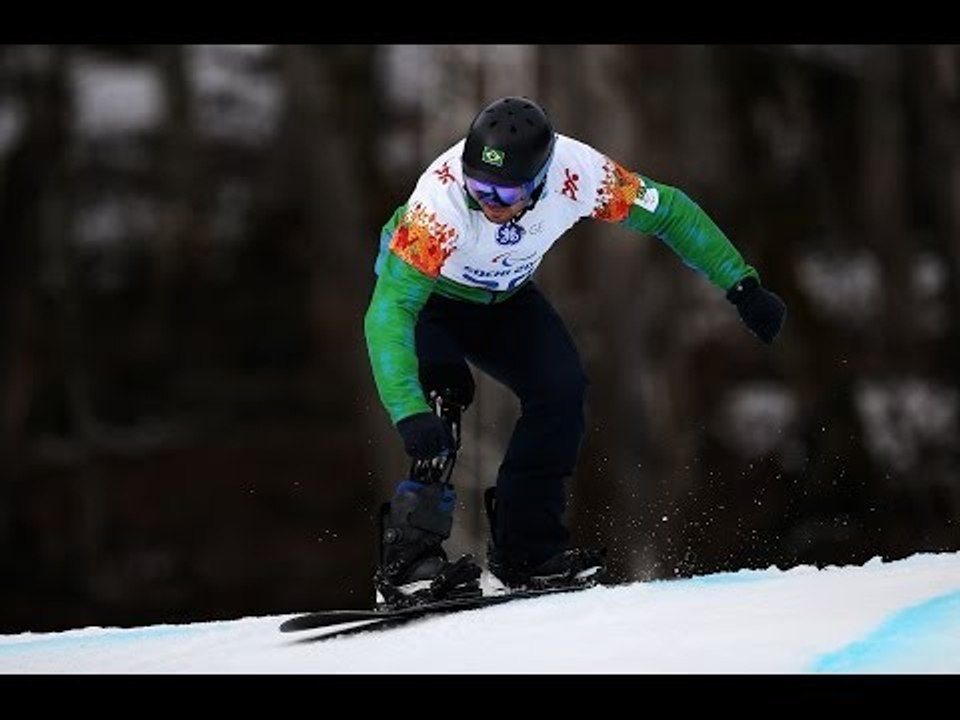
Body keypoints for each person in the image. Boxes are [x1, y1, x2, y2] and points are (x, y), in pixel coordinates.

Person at [363, 96, 786, 605]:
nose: (490, 202)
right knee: (442, 397)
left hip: (505, 299)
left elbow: (669, 212)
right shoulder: (440, 207)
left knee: (561, 392)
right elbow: (389, 312)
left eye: (506, 191)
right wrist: (406, 410)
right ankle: (409, 561)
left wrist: (741, 284)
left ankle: (526, 552)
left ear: (541, 179)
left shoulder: (580, 175)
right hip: (429, 297)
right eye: (479, 186)